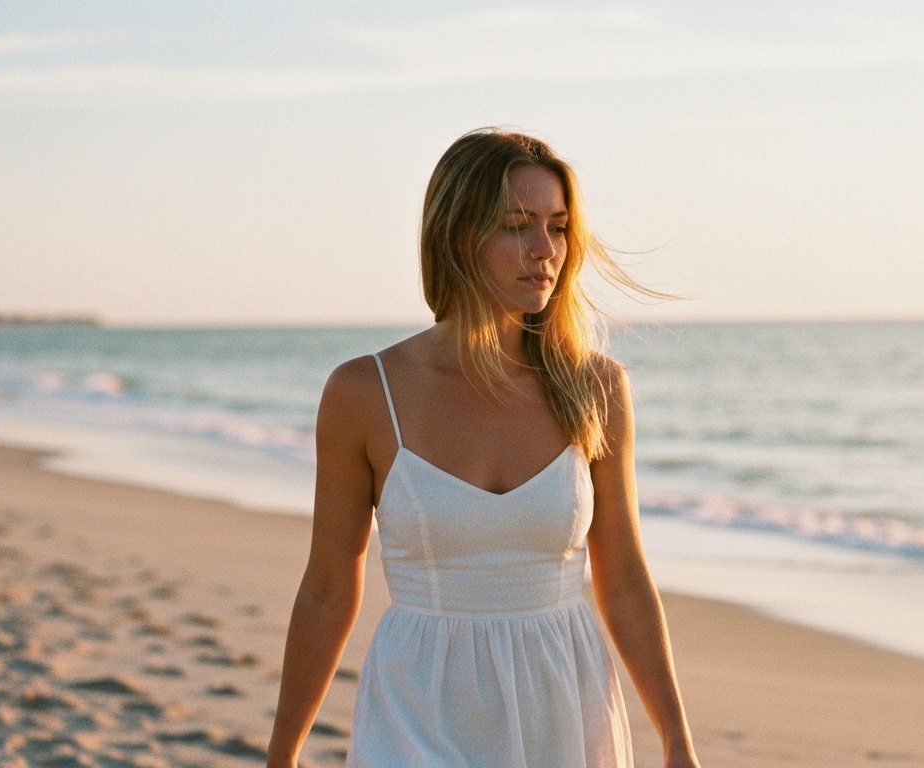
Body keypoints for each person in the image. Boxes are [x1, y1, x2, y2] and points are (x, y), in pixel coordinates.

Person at [266, 128, 701, 768]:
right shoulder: (365, 392)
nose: (545, 250)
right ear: (456, 236)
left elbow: (626, 581)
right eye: (517, 226)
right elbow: (329, 590)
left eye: (557, 228)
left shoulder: (595, 387)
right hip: (417, 708)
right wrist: (283, 753)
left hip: (562, 707)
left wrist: (677, 740)